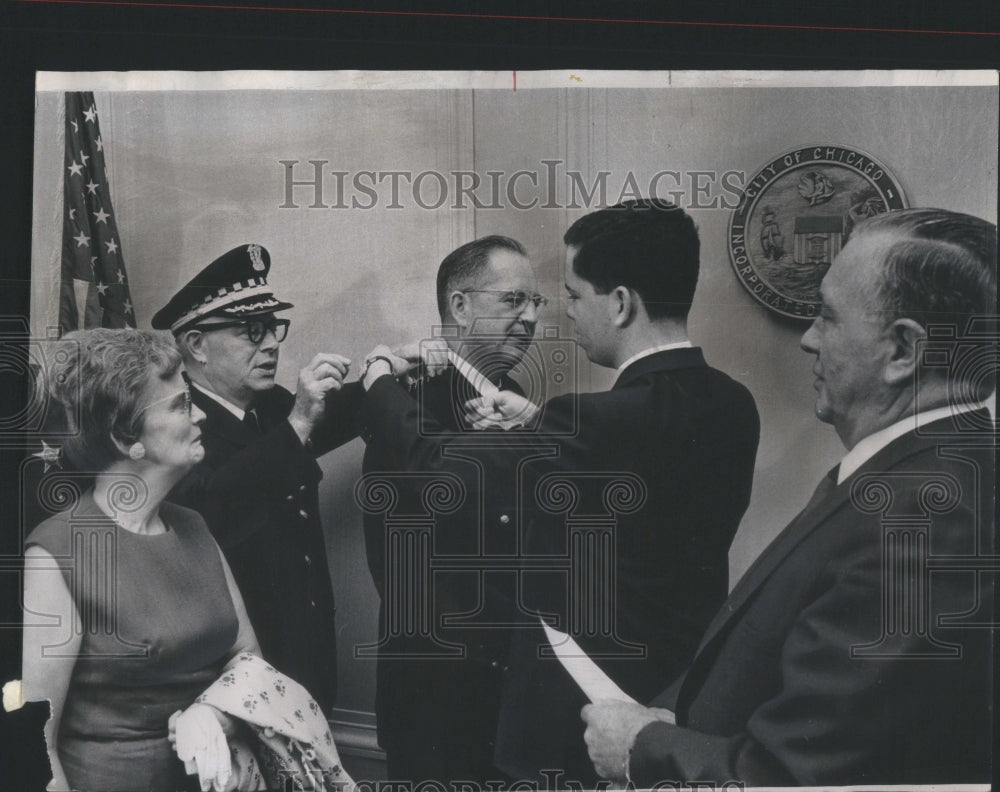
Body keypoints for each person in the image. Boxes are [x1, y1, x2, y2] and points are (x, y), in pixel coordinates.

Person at [581, 208, 997, 786]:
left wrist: (639, 748)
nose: (807, 339)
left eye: (827, 316)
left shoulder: (926, 516)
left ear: (903, 351)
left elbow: (789, 778)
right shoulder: (921, 475)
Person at [361, 199, 760, 785]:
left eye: (566, 296)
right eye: (515, 299)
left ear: (621, 303)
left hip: (574, 704)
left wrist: (376, 382)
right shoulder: (732, 402)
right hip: (638, 696)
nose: (554, 315)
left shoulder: (584, 419)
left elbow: (441, 465)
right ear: (459, 306)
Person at [21, 328, 259, 792]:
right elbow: (34, 741)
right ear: (123, 436)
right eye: (180, 405)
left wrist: (217, 713)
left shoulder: (194, 526)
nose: (202, 415)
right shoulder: (56, 552)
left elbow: (247, 658)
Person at [358, 235, 543, 785]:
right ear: (459, 307)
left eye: (537, 304)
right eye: (514, 300)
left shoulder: (518, 405)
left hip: (511, 695)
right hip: (437, 700)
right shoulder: (412, 402)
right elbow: (398, 563)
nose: (530, 317)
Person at [152, 244, 362, 714]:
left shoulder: (266, 407)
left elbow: (333, 413)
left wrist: (393, 373)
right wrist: (300, 423)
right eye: (252, 331)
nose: (271, 343)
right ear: (197, 346)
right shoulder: (172, 422)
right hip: (228, 676)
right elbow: (210, 506)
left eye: (272, 327)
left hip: (305, 660)